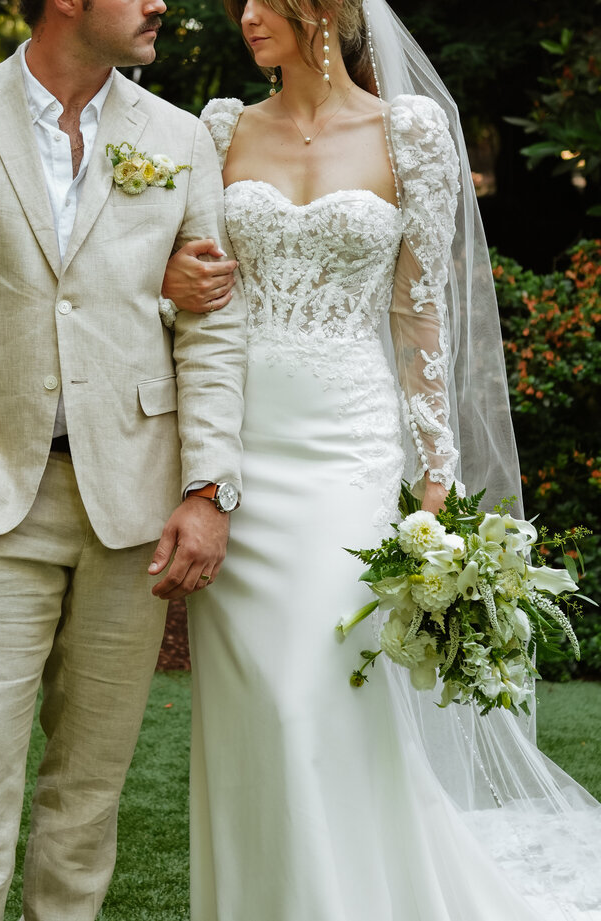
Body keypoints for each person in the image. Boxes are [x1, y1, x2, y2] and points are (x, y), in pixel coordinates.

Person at [161, 1, 601, 919]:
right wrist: (175, 287)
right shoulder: (220, 130)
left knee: (315, 696)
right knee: (253, 707)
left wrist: (437, 474)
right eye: (242, 3)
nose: (247, 17)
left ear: (322, 8)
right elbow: (188, 279)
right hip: (239, 452)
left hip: (348, 453)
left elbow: (419, 309)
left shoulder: (410, 133)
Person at [0, 1, 248, 918]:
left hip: (135, 506)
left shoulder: (180, 137)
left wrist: (208, 487)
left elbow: (212, 325)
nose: (161, 3)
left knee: (89, 793)